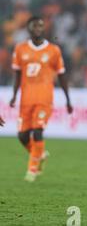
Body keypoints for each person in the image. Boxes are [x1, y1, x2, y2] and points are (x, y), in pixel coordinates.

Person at [10, 16, 73, 182]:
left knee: (38, 132)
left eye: (41, 25)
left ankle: (32, 169)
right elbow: (17, 74)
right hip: (26, 100)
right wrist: (14, 95)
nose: (38, 28)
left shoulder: (53, 50)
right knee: (22, 135)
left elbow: (62, 75)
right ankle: (39, 155)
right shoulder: (20, 48)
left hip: (44, 99)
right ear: (29, 28)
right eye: (35, 25)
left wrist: (68, 99)